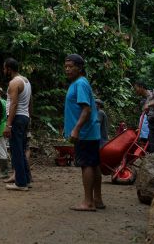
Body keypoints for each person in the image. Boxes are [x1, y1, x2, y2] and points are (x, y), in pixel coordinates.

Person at [64, 54, 104, 212]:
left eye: (71, 66)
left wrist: (76, 129)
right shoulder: (80, 83)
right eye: (65, 66)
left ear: (79, 67)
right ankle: (97, 199)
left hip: (85, 133)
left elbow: (86, 109)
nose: (67, 69)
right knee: (94, 164)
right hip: (90, 132)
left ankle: (88, 202)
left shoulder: (80, 84)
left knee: (86, 164)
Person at [2, 58, 32, 191]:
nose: (4, 71)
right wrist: (29, 117)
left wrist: (8, 125)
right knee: (21, 148)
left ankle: (20, 183)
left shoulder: (14, 83)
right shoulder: (26, 81)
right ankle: (26, 179)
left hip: (16, 118)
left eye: (4, 68)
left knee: (17, 151)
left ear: (9, 68)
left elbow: (14, 104)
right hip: (24, 117)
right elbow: (31, 102)